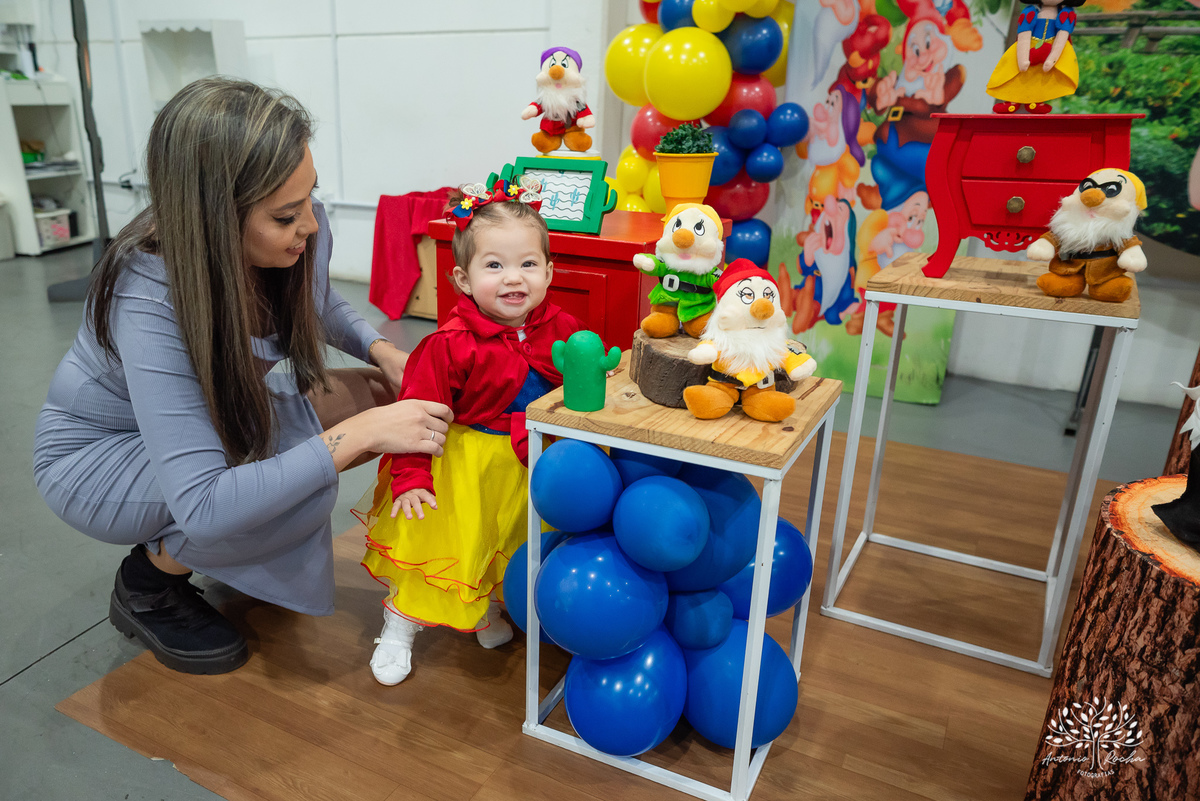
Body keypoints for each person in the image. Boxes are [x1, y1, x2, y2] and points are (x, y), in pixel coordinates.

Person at [32, 77, 453, 676]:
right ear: (213, 218)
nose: (308, 224)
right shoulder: (150, 295)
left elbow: (316, 302)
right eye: (286, 215)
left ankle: (224, 550)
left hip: (215, 412)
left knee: (389, 395)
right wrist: (356, 437)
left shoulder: (293, 226)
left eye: (310, 199)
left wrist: (383, 350)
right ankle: (149, 581)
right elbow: (204, 501)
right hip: (98, 456)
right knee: (301, 479)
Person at [357, 179, 584, 686]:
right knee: (444, 547)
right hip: (460, 464)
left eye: (528, 264)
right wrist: (413, 475)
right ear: (462, 277)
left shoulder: (563, 325)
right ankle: (399, 628)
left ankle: (485, 611)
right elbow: (415, 412)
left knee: (506, 542)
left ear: (549, 271)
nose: (514, 279)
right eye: (494, 265)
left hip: (526, 463)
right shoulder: (449, 343)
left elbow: (581, 386)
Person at [986, 0, 1085, 114]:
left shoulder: (1066, 13)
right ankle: (1011, 100)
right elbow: (1024, 33)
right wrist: (1023, 57)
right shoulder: (1030, 11)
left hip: (1051, 48)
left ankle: (1036, 101)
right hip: (1029, 46)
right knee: (1016, 72)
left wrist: (1052, 59)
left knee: (1042, 77)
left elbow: (1062, 36)